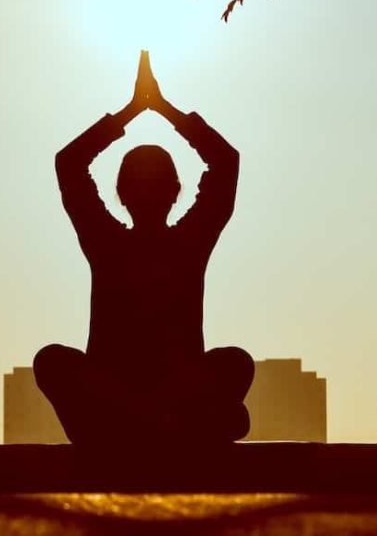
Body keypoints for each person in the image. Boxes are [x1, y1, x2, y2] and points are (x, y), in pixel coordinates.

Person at [34, 51, 254, 446]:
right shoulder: (173, 241)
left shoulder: (113, 241)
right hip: (145, 403)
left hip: (125, 408)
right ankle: (165, 425)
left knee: (236, 362)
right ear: (177, 192)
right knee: (51, 361)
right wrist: (160, 111)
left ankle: (150, 423)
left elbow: (70, 164)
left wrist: (135, 111)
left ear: (119, 194)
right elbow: (225, 162)